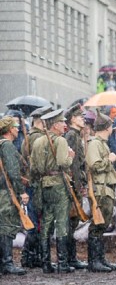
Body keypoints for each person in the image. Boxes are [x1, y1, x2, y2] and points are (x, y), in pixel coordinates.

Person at [29, 109, 75, 272]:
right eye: (62, 122)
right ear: (55, 125)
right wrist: (71, 156)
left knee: (46, 223)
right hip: (58, 184)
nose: (65, 125)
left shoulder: (37, 142)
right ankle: (62, 263)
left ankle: (46, 263)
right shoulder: (60, 141)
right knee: (61, 221)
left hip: (43, 185)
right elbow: (63, 162)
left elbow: (33, 168)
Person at [85, 113, 116, 272]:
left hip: (105, 187)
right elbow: (95, 165)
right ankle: (94, 261)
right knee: (98, 225)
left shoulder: (101, 143)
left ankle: (99, 259)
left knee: (103, 224)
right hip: (100, 189)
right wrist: (110, 160)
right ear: (107, 127)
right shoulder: (95, 144)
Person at [20, 105, 51, 268]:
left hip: (33, 182)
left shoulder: (31, 136)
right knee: (36, 221)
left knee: (36, 220)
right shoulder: (37, 138)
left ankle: (31, 255)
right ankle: (29, 256)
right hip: (36, 183)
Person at [0, 116, 28, 275]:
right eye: (15, 126)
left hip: (2, 190)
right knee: (7, 226)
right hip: (6, 191)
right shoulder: (8, 146)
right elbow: (13, 172)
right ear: (10, 129)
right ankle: (7, 263)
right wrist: (21, 191)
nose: (18, 129)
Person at [63, 104, 89, 270]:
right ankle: (68, 258)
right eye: (80, 116)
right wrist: (78, 186)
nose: (83, 119)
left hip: (77, 183)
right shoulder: (72, 135)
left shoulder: (76, 134)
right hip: (73, 185)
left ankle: (70, 258)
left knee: (72, 222)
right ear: (72, 119)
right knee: (70, 222)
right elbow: (73, 165)